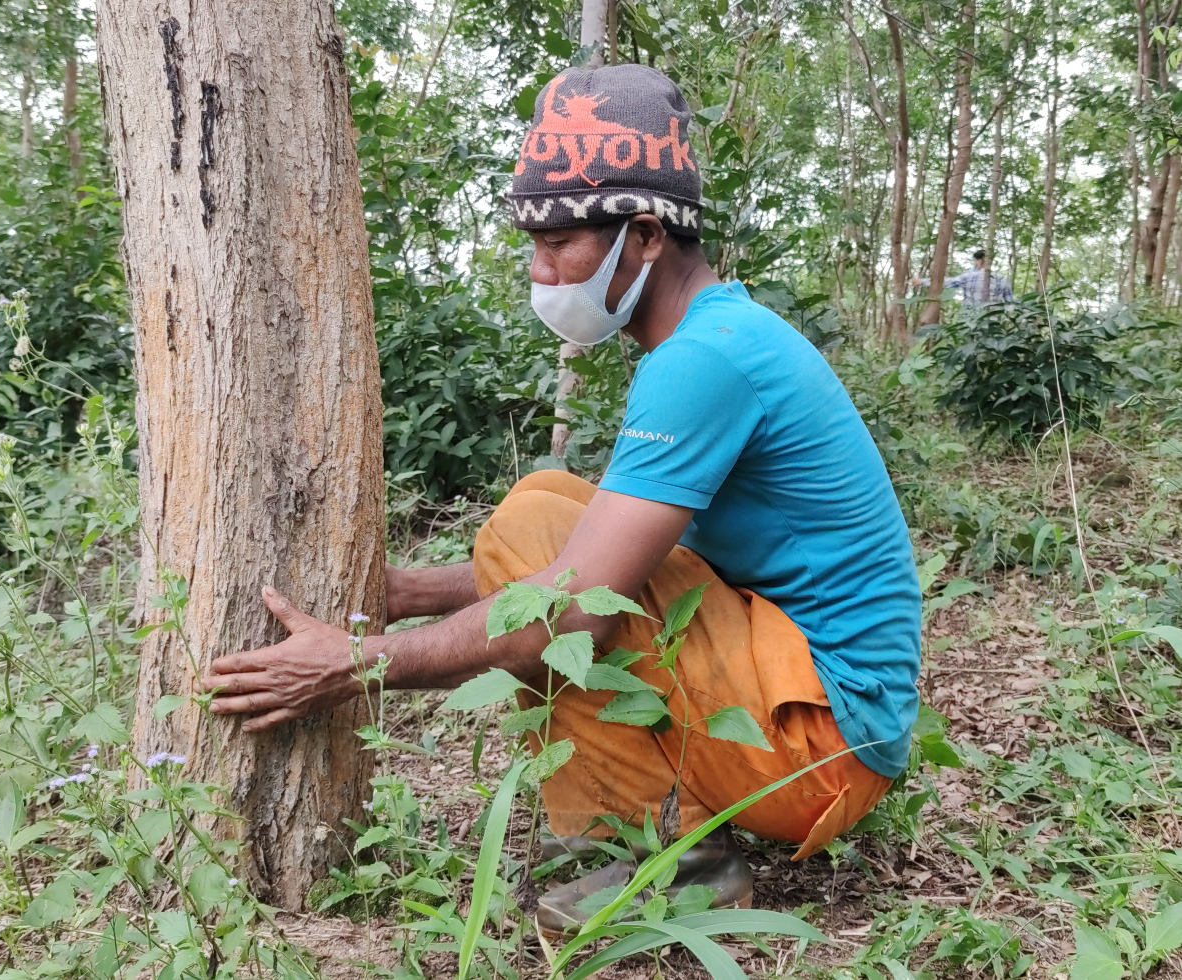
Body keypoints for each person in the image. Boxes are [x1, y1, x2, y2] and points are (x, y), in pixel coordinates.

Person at [195, 65, 921, 936]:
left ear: (644, 234)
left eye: (560, 245)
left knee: (537, 527)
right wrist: (400, 592)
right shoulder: (720, 336)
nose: (541, 271)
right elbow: (628, 561)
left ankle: (664, 859)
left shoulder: (703, 361)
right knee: (550, 504)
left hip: (819, 751)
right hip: (818, 713)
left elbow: (571, 608)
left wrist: (357, 666)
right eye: (532, 244)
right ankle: (656, 839)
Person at [911, 248, 1015, 305]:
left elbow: (947, 282)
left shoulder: (968, 277)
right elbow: (1010, 303)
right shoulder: (1002, 279)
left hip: (970, 322)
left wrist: (922, 281)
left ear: (979, 261)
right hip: (994, 322)